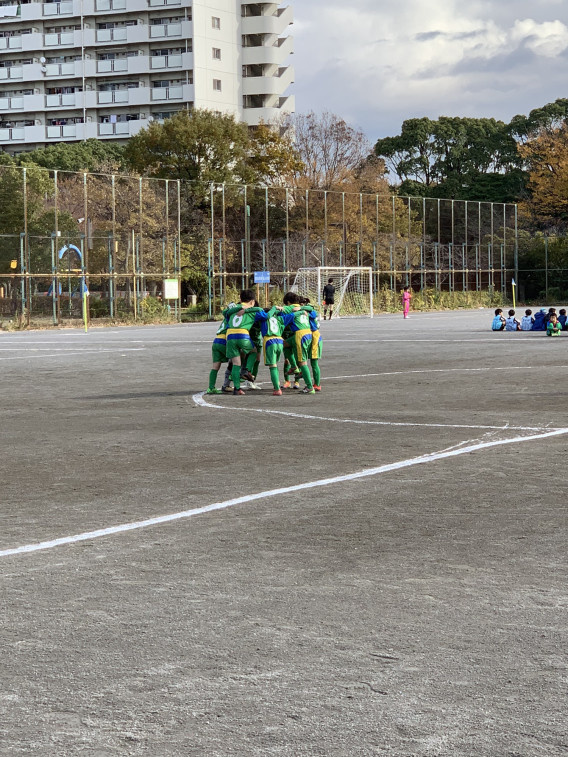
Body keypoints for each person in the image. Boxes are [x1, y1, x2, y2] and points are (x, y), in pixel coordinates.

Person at [225, 289, 263, 395]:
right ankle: (246, 370)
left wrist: (238, 308)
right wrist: (247, 309)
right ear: (252, 301)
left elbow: (225, 313)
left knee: (236, 363)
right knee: (254, 351)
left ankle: (237, 389)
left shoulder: (233, 310)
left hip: (230, 336)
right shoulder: (253, 310)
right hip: (242, 334)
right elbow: (262, 311)